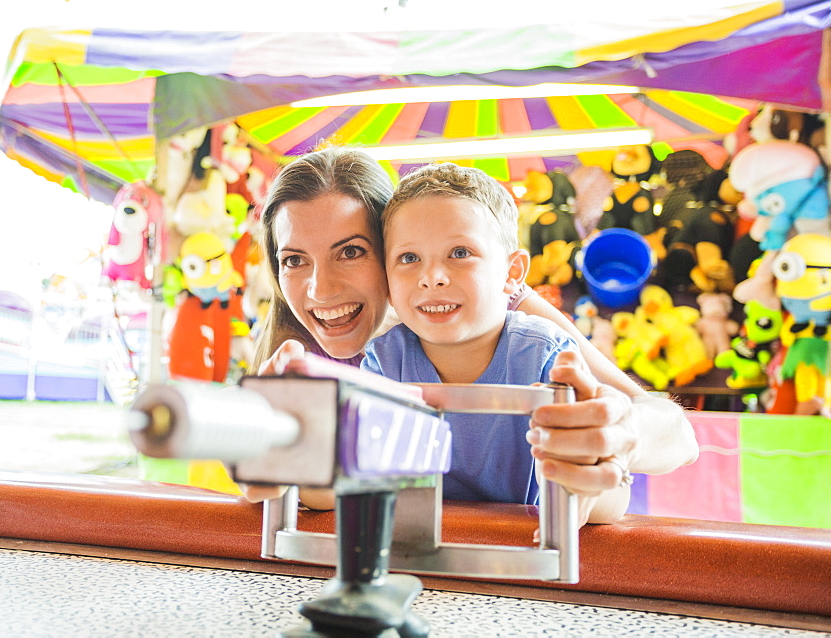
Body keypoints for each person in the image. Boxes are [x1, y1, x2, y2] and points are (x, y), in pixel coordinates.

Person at [248, 146, 698, 514]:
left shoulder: (514, 318)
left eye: (350, 252)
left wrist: (613, 438)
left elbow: (673, 435)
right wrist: (279, 463)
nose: (320, 287)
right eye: (293, 259)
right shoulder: (316, 355)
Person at [361, 162, 628, 522]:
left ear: (512, 272)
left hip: (525, 555)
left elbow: (612, 497)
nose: (432, 278)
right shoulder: (384, 362)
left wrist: (585, 484)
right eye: (409, 258)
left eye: (459, 253)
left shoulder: (547, 355)